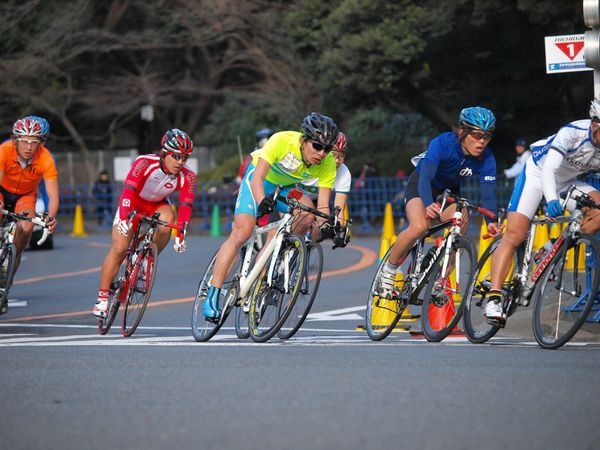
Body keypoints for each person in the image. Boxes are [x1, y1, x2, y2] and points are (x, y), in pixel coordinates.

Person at [202, 112, 339, 321]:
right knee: (243, 233)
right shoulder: (282, 140)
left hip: (284, 188)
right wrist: (261, 201)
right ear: (304, 140)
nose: (322, 153)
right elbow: (258, 178)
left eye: (327, 149)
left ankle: (277, 257)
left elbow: (322, 207)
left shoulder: (328, 163)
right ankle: (213, 293)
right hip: (258, 181)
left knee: (308, 214)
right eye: (317, 146)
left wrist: (327, 228)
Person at [485, 98, 600, 320]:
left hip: (568, 181)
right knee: (515, 234)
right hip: (538, 174)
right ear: (595, 124)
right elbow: (549, 168)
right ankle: (494, 297)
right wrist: (551, 199)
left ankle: (551, 249)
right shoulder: (573, 132)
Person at [376, 106, 500, 299]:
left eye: (487, 136)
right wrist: (427, 203)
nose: (482, 141)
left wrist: (491, 221)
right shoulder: (443, 143)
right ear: (462, 131)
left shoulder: (487, 158)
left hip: (448, 193)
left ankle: (439, 282)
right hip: (422, 186)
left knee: (462, 221)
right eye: (476, 135)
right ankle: (388, 271)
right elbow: (425, 178)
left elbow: (488, 195)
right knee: (419, 227)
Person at [92, 129, 197, 319]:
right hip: (133, 203)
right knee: (119, 248)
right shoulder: (144, 162)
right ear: (165, 152)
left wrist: (181, 235)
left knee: (168, 219)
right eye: (176, 156)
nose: (181, 162)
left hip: (158, 205)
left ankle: (147, 257)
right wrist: (124, 217)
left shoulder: (188, 176)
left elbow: (186, 206)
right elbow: (128, 190)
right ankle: (102, 298)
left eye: (185, 158)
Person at [0, 116, 59, 314]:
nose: (28, 147)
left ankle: (4, 282)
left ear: (41, 143)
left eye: (34, 143)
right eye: (24, 141)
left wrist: (50, 217)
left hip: (25, 196)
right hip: (1, 190)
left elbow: (52, 193)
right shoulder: (5, 150)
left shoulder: (45, 158)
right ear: (15, 140)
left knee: (25, 228)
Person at [298, 131, 352, 226]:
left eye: (341, 155)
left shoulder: (344, 173)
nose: (336, 160)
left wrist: (339, 231)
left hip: (317, 201)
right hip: (294, 194)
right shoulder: (312, 161)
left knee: (322, 225)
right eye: (333, 155)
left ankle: (312, 241)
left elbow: (339, 209)